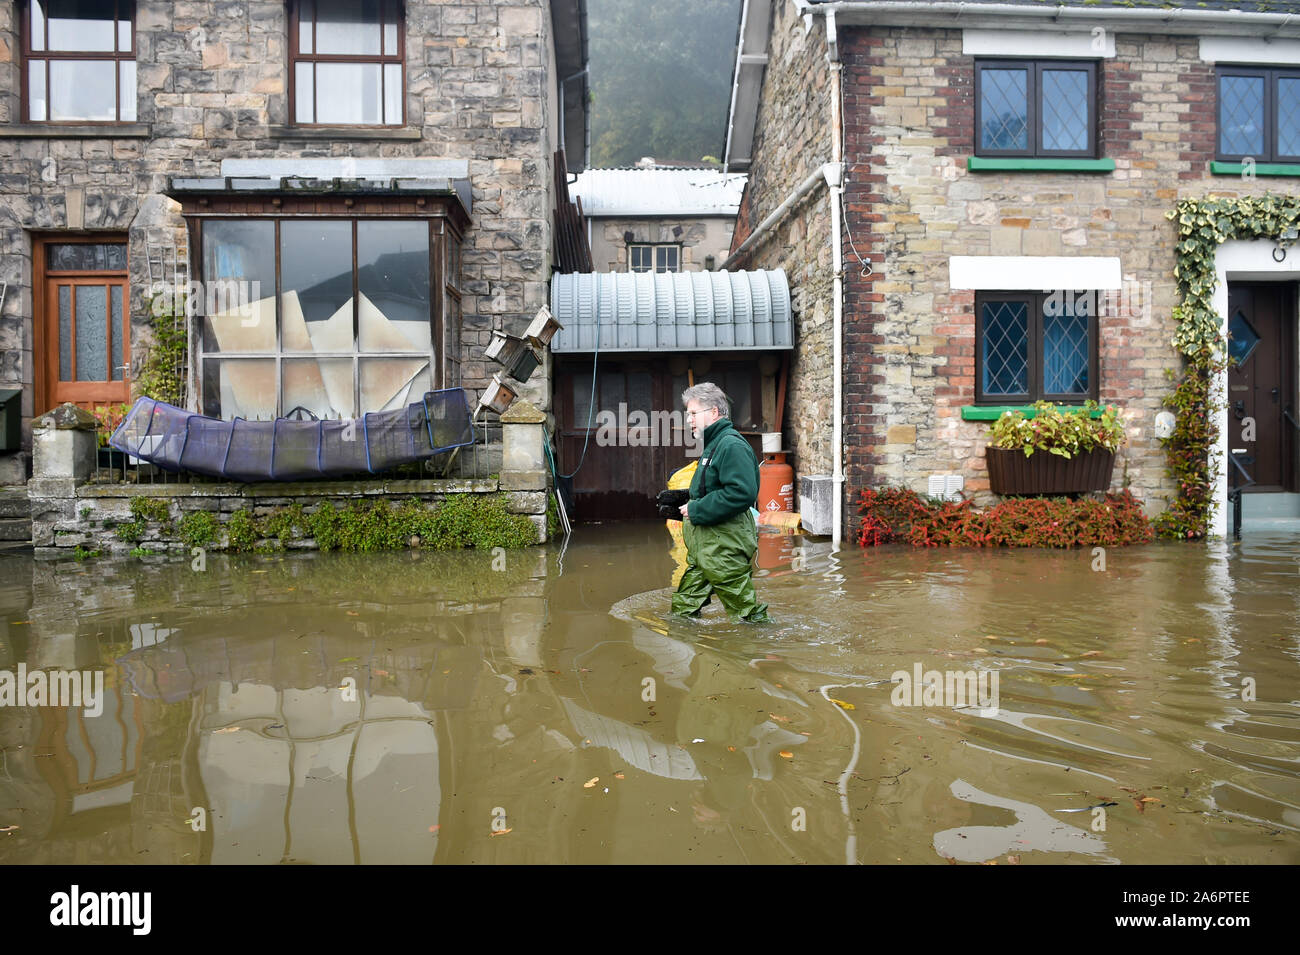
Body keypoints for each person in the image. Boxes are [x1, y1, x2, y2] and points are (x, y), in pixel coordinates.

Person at [670, 383, 770, 623]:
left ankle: (764, 651)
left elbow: (741, 493)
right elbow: (714, 487)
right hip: (706, 547)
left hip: (722, 546)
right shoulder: (714, 445)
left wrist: (696, 509)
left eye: (693, 414)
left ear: (714, 412)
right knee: (683, 611)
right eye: (688, 415)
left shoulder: (731, 445)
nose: (689, 420)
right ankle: (696, 651)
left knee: (747, 616)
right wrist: (685, 500)